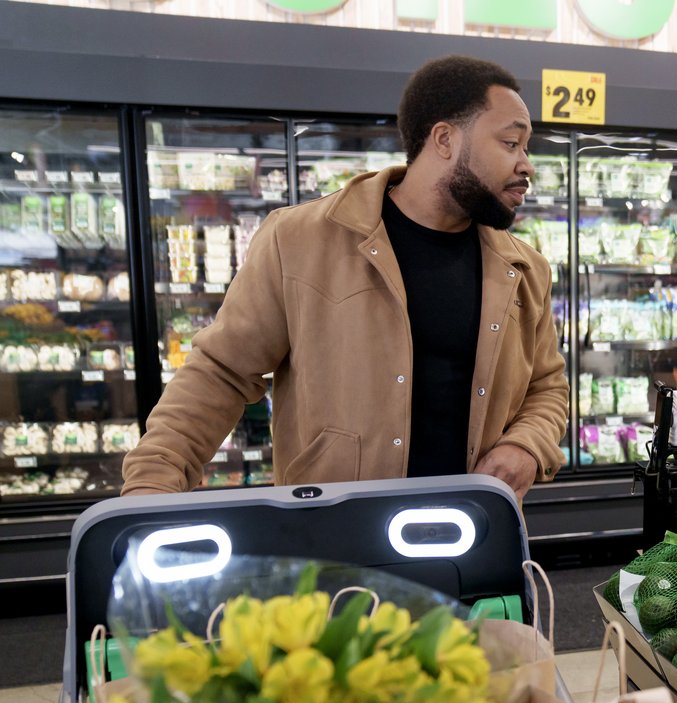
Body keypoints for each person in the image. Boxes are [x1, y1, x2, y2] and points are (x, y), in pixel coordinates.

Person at [122, 56, 568, 499]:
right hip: (332, 544)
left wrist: (525, 445)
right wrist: (150, 485)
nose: (527, 165)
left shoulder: (526, 270)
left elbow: (547, 387)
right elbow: (220, 373)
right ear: (445, 139)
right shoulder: (298, 239)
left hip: (471, 537)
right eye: (512, 143)